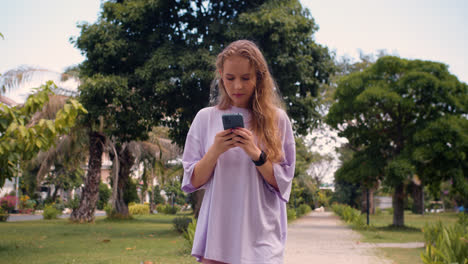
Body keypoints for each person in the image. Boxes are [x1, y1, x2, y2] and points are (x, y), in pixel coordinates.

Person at [181, 40, 296, 264]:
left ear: (259, 78)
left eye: (246, 78)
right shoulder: (205, 118)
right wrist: (215, 151)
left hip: (262, 237)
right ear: (221, 76)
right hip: (218, 235)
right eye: (230, 78)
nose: (237, 87)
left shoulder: (278, 120)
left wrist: (256, 154)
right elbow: (192, 181)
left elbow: (282, 183)